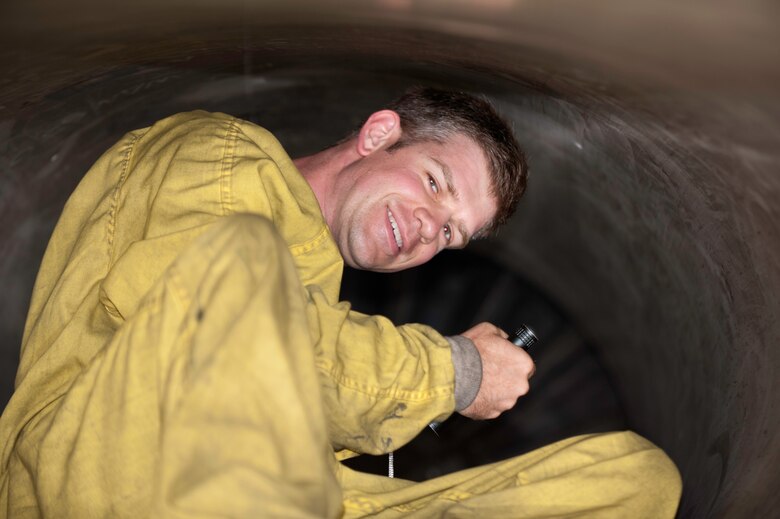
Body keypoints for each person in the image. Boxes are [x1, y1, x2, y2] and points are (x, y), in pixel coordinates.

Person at [0, 87, 681, 518]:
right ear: (379, 135)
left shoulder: (312, 284)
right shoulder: (220, 155)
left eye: (451, 233)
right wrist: (458, 370)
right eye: (434, 182)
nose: (429, 228)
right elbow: (226, 340)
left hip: (269, 495)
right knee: (245, 259)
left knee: (634, 480)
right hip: (108, 473)